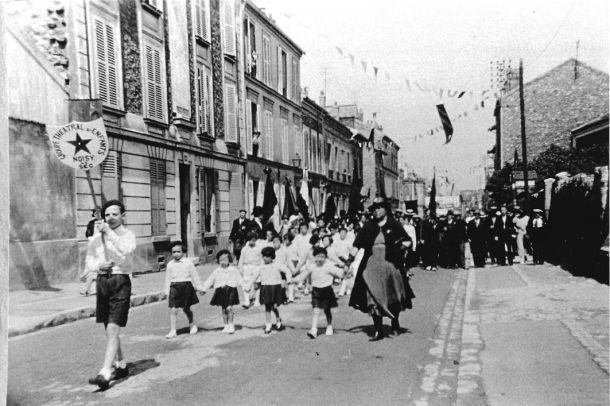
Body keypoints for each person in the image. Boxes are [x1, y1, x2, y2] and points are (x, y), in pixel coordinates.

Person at [346, 197, 415, 341]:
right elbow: (357, 244)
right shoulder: (368, 226)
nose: (376, 211)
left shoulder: (394, 224)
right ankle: (378, 330)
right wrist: (348, 261)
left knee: (393, 295)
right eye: (374, 208)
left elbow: (408, 240)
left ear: (385, 209)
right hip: (371, 267)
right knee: (373, 297)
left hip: (391, 265)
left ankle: (394, 322)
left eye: (379, 207)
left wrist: (400, 247)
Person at [87, 200, 137, 389]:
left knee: (112, 329)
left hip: (120, 281)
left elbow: (127, 249)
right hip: (102, 282)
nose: (110, 218)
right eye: (107, 214)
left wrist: (109, 233)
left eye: (115, 214)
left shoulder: (128, 235)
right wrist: (98, 266)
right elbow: (89, 260)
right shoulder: (96, 236)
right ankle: (121, 364)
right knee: (109, 328)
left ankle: (105, 373)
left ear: (123, 216)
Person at [293, 246, 344, 338]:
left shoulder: (329, 266)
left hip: (327, 291)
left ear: (325, 258)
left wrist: (345, 271)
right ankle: (314, 329)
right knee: (315, 310)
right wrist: (293, 280)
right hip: (316, 291)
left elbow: (339, 273)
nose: (319, 259)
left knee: (327, 310)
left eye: (322, 257)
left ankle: (329, 326)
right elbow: (303, 276)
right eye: (317, 257)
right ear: (314, 257)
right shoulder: (311, 267)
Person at [164, 241, 204, 339]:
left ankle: (192, 324)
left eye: (178, 251)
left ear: (183, 252)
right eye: (173, 252)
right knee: (173, 309)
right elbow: (168, 278)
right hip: (174, 287)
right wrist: (167, 292)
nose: (176, 254)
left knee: (186, 308)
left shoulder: (188, 262)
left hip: (186, 286)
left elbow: (194, 275)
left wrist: (199, 287)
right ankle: (173, 330)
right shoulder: (170, 264)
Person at [201, 250, 245, 334]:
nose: (223, 262)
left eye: (225, 260)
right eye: (221, 260)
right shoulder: (217, 270)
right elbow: (210, 280)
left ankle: (231, 324)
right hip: (220, 291)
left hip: (231, 290)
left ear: (229, 260)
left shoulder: (233, 270)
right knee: (224, 309)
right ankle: (226, 325)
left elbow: (239, 279)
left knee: (229, 308)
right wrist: (204, 288)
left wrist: (245, 286)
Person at [248, 247, 289, 334]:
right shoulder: (261, 267)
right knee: (267, 307)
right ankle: (268, 325)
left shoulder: (277, 265)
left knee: (274, 306)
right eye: (263, 256)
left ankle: (278, 320)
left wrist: (287, 281)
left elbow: (287, 271)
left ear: (272, 256)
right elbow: (254, 277)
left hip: (275, 288)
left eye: (267, 256)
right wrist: (248, 286)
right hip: (266, 288)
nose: (265, 258)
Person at [237, 232, 262, 308]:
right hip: (246, 267)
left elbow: (261, 259)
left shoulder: (258, 248)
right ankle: (247, 301)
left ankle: (257, 300)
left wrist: (261, 268)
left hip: (256, 266)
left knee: (257, 284)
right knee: (246, 283)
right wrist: (240, 268)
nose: (252, 242)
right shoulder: (244, 249)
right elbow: (241, 259)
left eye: (254, 240)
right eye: (250, 240)